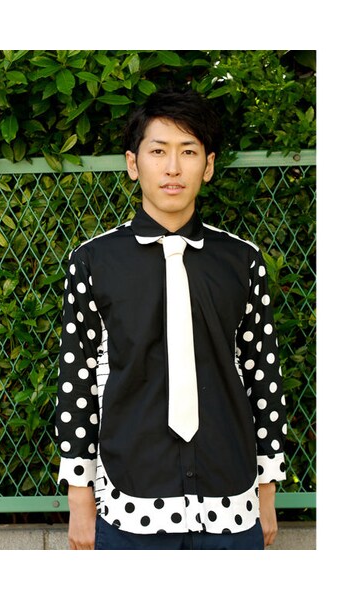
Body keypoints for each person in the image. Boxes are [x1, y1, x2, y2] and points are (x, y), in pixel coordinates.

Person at [55, 89, 287, 550]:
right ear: (133, 163)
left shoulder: (242, 260)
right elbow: (76, 378)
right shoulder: (94, 261)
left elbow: (262, 374)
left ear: (209, 165)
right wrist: (80, 498)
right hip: (129, 503)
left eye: (189, 152)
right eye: (158, 151)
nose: (173, 168)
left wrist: (267, 489)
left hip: (232, 500)